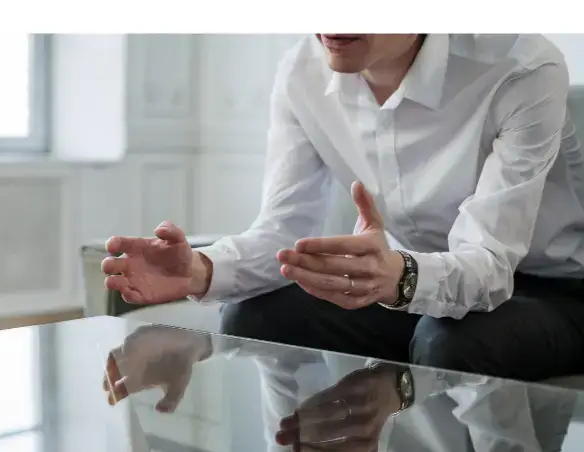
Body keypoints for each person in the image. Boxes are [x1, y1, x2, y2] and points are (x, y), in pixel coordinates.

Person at [101, 34, 584, 381]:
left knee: (450, 341)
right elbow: (284, 231)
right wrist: (200, 270)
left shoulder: (521, 68)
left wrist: (399, 277)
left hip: (555, 291)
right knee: (255, 316)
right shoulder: (301, 72)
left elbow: (491, 264)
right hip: (416, 281)